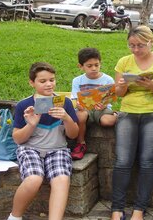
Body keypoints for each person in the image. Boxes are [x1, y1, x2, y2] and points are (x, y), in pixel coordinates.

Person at [111, 25, 153, 220]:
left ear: (151, 42)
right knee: (123, 161)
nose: (136, 50)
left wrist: (152, 86)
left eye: (140, 45)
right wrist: (121, 86)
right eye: (132, 45)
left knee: (147, 161)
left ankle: (139, 209)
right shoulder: (124, 61)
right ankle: (117, 209)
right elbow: (118, 94)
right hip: (128, 112)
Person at [7, 62, 79, 220]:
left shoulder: (65, 102)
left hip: (58, 148)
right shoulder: (24, 105)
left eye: (52, 80)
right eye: (43, 81)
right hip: (30, 148)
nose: (49, 84)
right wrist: (31, 124)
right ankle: (14, 217)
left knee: (61, 179)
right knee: (34, 179)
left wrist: (66, 118)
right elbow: (18, 139)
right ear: (32, 83)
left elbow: (73, 135)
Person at [71, 47, 117, 160]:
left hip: (101, 108)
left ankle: (116, 115)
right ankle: (81, 143)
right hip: (85, 109)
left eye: (96, 65)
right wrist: (79, 105)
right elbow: (75, 99)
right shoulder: (77, 81)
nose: (94, 68)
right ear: (81, 66)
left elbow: (110, 98)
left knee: (107, 121)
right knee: (80, 115)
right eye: (89, 66)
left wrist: (104, 105)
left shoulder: (108, 79)